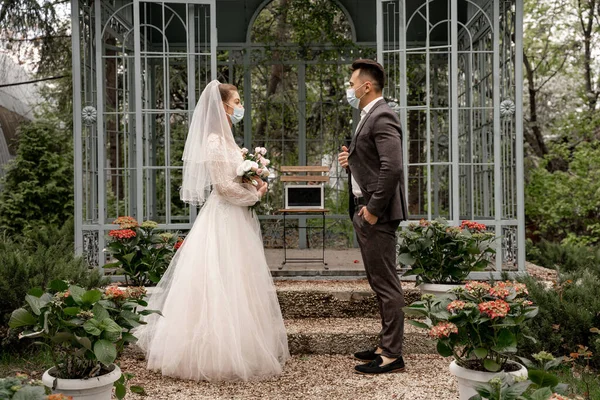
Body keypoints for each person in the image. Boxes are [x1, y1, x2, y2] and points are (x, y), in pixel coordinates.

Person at [135, 80, 289, 381]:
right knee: (218, 280)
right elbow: (222, 186)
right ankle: (212, 354)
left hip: (237, 218)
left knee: (239, 282)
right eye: (237, 100)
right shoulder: (215, 141)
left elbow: (236, 177)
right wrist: (254, 194)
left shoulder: (227, 138)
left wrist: (254, 177)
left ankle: (242, 348)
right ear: (223, 106)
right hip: (223, 217)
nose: (240, 105)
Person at [338, 59, 408, 375]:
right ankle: (384, 345)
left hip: (375, 214)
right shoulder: (369, 116)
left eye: (352, 83)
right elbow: (374, 160)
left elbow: (392, 167)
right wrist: (351, 161)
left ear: (367, 86)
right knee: (379, 282)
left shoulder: (383, 115)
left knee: (387, 284)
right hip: (365, 210)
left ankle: (392, 354)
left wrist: (373, 211)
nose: (349, 88)